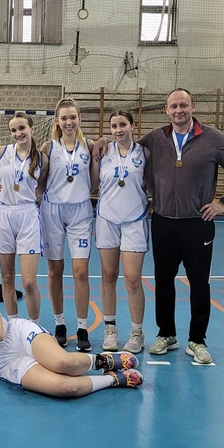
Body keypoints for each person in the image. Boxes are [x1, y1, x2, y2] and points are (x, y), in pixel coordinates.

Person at [95, 89, 224, 364]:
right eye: (174, 106)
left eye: (183, 105)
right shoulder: (156, 137)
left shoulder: (213, 138)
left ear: (193, 106)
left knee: (199, 283)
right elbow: (125, 143)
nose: (179, 110)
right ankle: (166, 334)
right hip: (163, 221)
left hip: (198, 223)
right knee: (163, 282)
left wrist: (223, 202)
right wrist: (102, 141)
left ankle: (197, 340)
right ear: (166, 110)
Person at [0, 261, 143, 397]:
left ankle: (104, 361)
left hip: (17, 334)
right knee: (65, 388)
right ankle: (113, 379)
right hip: (4, 362)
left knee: (64, 363)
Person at [90, 110, 150, 354]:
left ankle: (137, 332)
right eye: (114, 126)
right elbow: (93, 184)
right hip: (107, 219)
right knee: (108, 275)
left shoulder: (145, 153)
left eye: (123, 124)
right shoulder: (103, 151)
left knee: (133, 279)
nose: (118, 130)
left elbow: (153, 182)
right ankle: (110, 328)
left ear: (132, 125)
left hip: (135, 219)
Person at [40, 98, 95, 352]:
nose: (69, 122)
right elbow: (39, 180)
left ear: (79, 119)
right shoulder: (48, 147)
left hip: (80, 211)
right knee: (55, 270)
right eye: (64, 118)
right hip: (52, 210)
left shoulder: (90, 146)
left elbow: (95, 180)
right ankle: (60, 323)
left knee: (81, 271)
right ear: (57, 121)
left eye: (73, 117)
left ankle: (82, 327)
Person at [0, 113, 47, 323]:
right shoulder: (0, 152)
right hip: (3, 215)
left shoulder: (42, 158)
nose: (18, 133)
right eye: (13, 130)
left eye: (22, 128)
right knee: (6, 277)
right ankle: (13, 325)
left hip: (27, 215)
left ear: (32, 128)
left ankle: (34, 327)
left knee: (29, 282)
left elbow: (41, 188)